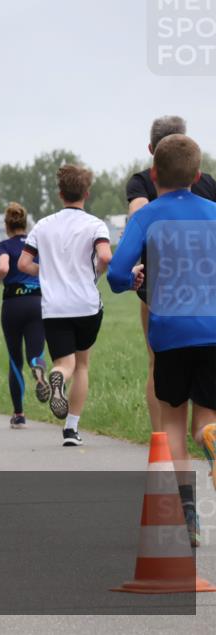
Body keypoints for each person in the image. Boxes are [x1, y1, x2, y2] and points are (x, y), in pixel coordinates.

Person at [108, 134, 216, 546]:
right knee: (206, 419)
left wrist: (135, 276)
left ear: (154, 175)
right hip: (213, 330)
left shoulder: (146, 216)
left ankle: (189, 515)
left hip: (169, 332)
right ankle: (211, 437)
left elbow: (118, 275)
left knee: (171, 424)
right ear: (199, 174)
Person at [126, 116, 216, 433]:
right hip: (207, 291)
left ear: (152, 150)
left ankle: (161, 439)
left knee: (158, 362)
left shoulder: (142, 181)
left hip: (159, 288)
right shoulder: (206, 184)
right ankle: (206, 432)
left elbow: (137, 212)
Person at [18, 165, 112, 446]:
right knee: (82, 365)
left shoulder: (43, 225)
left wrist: (46, 273)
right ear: (87, 192)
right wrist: (95, 273)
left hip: (54, 307)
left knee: (64, 363)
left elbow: (23, 263)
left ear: (60, 194)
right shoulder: (95, 225)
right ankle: (71, 429)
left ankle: (56, 377)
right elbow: (105, 257)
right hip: (86, 304)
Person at [0, 203, 48, 429]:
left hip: (13, 304)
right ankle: (40, 374)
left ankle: (19, 415)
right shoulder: (36, 244)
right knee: (35, 353)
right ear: (25, 224)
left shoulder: (3, 246)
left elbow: (3, 268)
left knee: (15, 359)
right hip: (37, 302)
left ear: (7, 225)